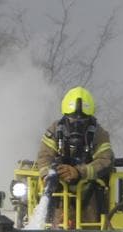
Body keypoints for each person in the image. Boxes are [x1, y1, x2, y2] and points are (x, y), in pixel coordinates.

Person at [35, 86, 114, 224]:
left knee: (91, 229)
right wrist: (48, 175)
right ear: (65, 115)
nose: (77, 124)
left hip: (89, 194)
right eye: (72, 119)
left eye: (82, 120)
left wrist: (79, 172)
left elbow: (105, 160)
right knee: (55, 227)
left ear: (89, 118)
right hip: (59, 192)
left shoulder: (99, 134)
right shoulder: (54, 130)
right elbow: (44, 157)